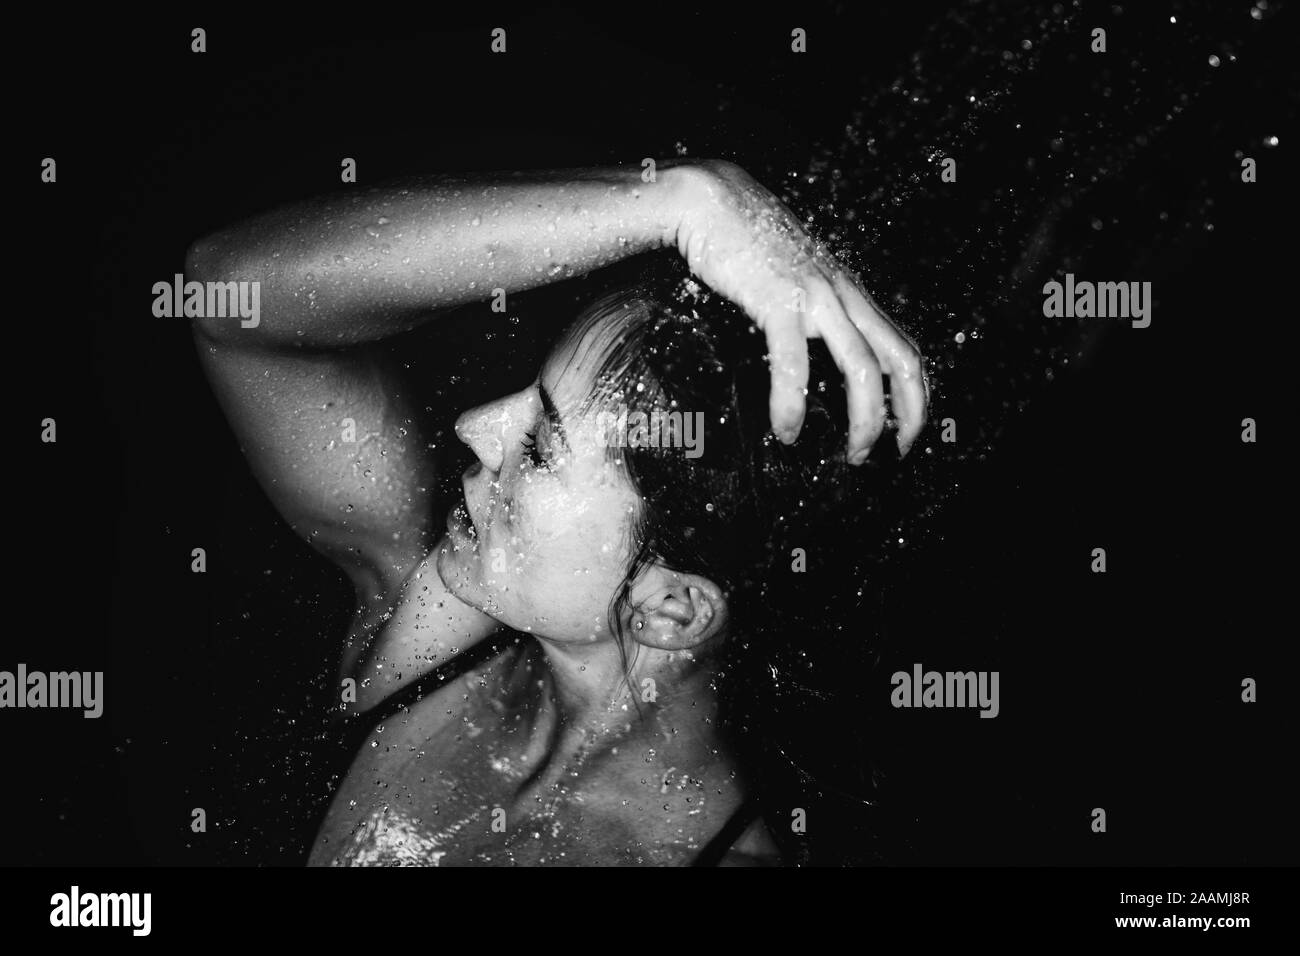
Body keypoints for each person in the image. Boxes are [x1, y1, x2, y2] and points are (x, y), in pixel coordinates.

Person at [186, 159, 928, 865]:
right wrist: (676, 201)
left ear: (670, 609)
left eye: (541, 447)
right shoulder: (435, 629)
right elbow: (228, 293)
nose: (474, 426)